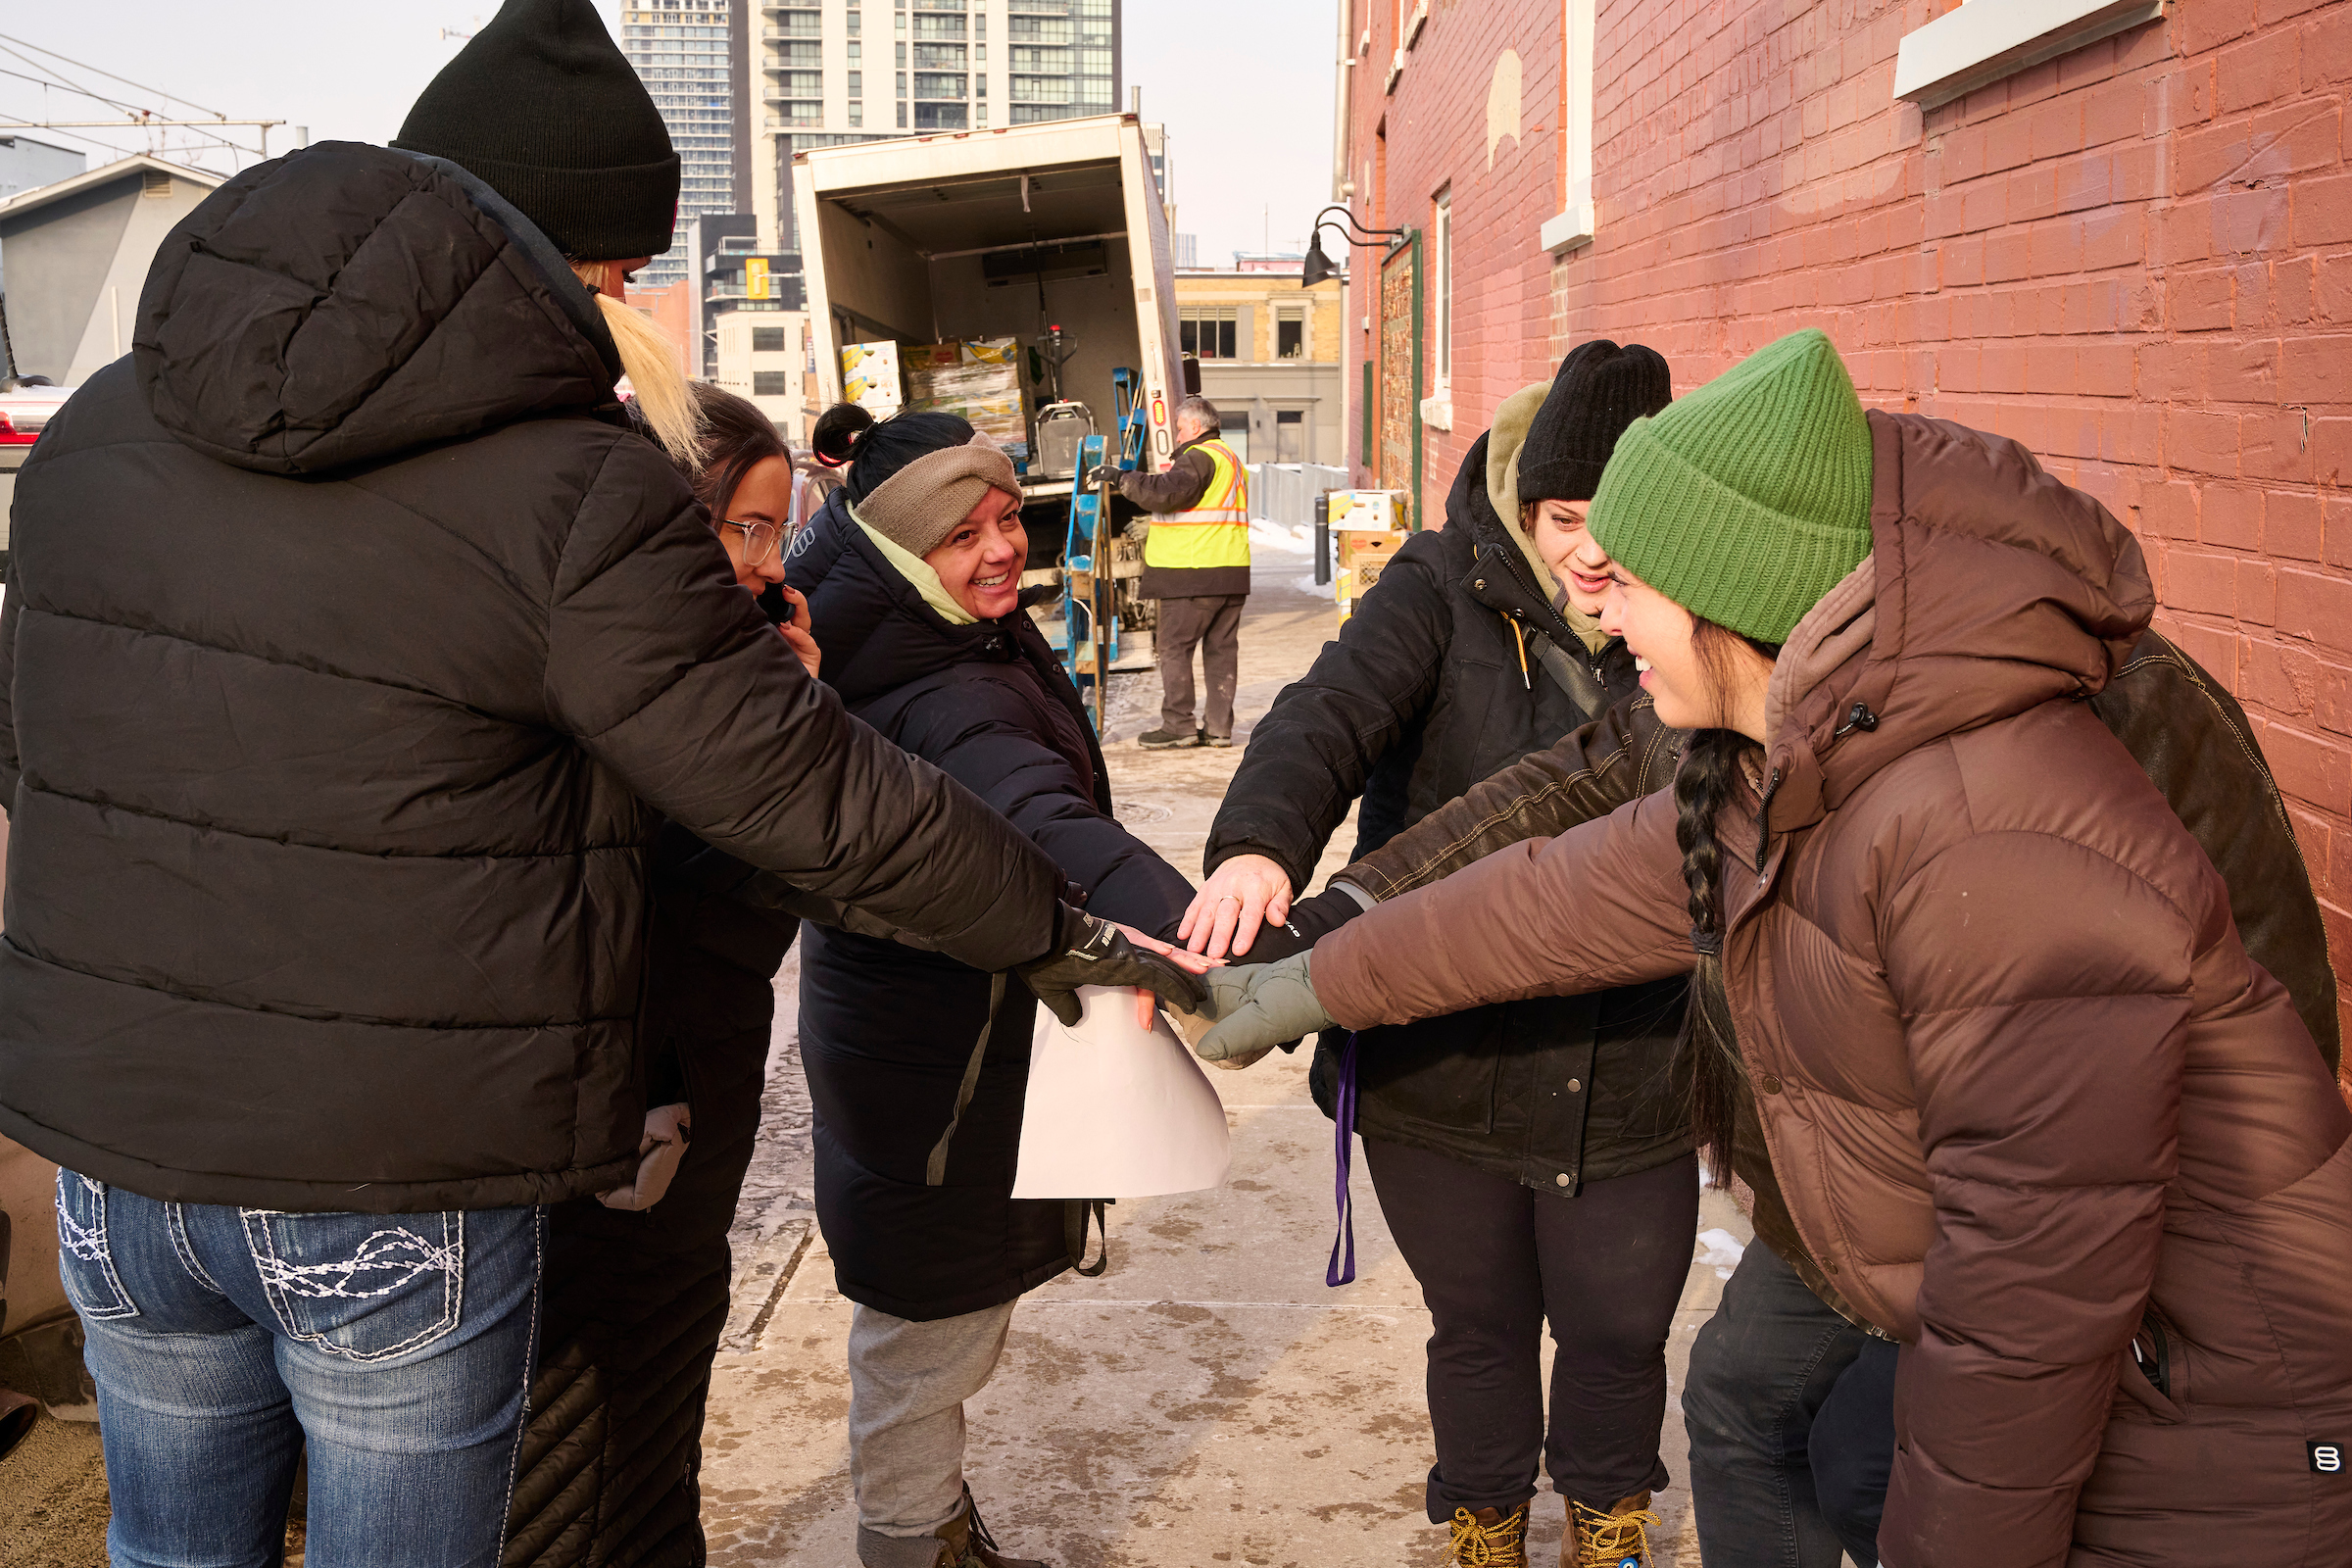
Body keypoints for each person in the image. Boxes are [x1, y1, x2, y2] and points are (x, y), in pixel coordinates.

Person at [0, 5, 1199, 1561]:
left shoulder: (96, 433)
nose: (639, 317)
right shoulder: (575, 486)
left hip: (112, 1159)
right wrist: (1062, 931)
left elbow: (46, 762)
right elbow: (817, 799)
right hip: (388, 1179)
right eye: (628, 276)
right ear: (553, 261)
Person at [1193, 328, 2352, 1568]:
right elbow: (1541, 892)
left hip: (2209, 1425)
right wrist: (1300, 974)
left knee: (1859, 1466)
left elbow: (2023, 1327)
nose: (1598, 603)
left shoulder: (1982, 832)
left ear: (1727, 597)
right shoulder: (1789, 759)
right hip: (2002, 1258)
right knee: (1769, 1420)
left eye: (1629, 578)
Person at [1187, 343, 1687, 1568]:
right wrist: (1260, 845)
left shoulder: (1687, 623)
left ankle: (1609, 1525)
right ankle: (1485, 1522)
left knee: (1619, 1324)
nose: (1589, 550)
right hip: (1437, 1038)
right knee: (1479, 1319)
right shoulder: (1439, 588)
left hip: (1626, 1051)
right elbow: (1328, 712)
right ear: (1527, 508)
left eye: (1617, 519)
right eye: (1565, 516)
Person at [790, 404, 1213, 1568]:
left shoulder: (936, 630)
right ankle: (913, 1543)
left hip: (941, 1033)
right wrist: (1192, 931)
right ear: (894, 545)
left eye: (1003, 518)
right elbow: (1038, 815)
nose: (1001, 548)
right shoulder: (938, 689)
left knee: (941, 1311)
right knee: (930, 1327)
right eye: (961, 534)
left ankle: (930, 1524)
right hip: (939, 1055)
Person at [509, 382, 821, 1564]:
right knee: (587, 1438)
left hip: (690, 1111)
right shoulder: (621, 684)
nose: (757, 561)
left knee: (656, 1412)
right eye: (735, 526)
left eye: (773, 531)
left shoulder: (721, 670)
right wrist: (781, 737)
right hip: (623, 1119)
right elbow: (698, 890)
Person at [1092, 395, 1250, 749]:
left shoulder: (1199, 457)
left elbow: (1164, 492)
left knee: (1174, 647)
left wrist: (1119, 477)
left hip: (1194, 572)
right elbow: (1198, 506)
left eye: (1179, 429)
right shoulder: (1229, 458)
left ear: (1195, 427)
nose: (1178, 436)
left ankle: (1178, 725)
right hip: (1230, 570)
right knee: (1221, 651)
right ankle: (1219, 728)